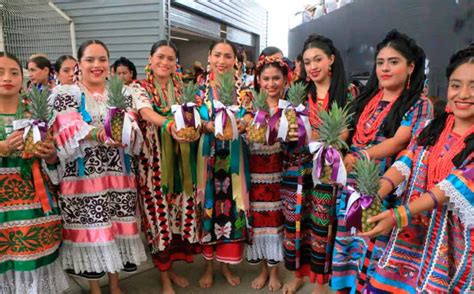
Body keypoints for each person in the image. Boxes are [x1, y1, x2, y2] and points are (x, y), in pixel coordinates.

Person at [362, 44, 473, 293]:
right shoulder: (430, 127)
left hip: (454, 247)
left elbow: (452, 187)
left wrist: (399, 215)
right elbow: (407, 160)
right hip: (409, 237)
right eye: (456, 85)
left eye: (473, 86)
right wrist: (378, 190)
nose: (463, 94)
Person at [331, 30, 434, 293]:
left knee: (373, 249)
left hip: (384, 188)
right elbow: (348, 131)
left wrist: (360, 155)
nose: (385, 68)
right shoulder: (366, 99)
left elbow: (400, 141)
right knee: (349, 245)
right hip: (353, 185)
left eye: (394, 61)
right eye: (380, 62)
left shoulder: (420, 104)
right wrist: (333, 150)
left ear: (411, 66)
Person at [49, 40, 146, 294]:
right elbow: (67, 128)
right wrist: (101, 134)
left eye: (102, 59)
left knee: (114, 227)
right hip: (84, 178)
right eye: (90, 59)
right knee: (94, 230)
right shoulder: (65, 94)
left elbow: (132, 125)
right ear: (79, 63)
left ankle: (115, 285)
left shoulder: (122, 92)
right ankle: (94, 287)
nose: (97, 65)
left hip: (117, 174)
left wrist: (128, 131)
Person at [281, 34, 350, 294]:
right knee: (297, 224)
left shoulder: (347, 92)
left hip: (327, 170)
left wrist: (323, 142)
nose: (313, 66)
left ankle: (319, 282)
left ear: (331, 59)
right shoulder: (298, 93)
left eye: (318, 59)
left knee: (322, 225)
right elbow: (288, 129)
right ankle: (298, 274)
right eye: (308, 61)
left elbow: (346, 131)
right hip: (297, 168)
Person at [135, 40, 201, 294]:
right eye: (160, 57)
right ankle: (164, 278)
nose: (164, 62)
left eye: (170, 59)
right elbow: (145, 112)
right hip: (153, 168)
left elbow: (196, 115)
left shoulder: (183, 90)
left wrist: (196, 128)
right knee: (158, 222)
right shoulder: (138, 88)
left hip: (182, 166)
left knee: (178, 218)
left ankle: (171, 269)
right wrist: (169, 125)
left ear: (176, 65)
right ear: (150, 60)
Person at [0, 52, 68, 293]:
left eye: (14, 72)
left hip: (34, 208)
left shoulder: (36, 112)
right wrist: (2, 148)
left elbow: (54, 163)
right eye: (0, 72)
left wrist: (49, 155)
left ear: (23, 77)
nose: (7, 78)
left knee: (33, 273)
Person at [197, 39, 251, 289]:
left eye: (227, 56)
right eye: (217, 55)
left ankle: (226, 266)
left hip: (234, 163)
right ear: (209, 57)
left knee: (232, 211)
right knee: (209, 211)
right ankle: (207, 267)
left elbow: (250, 115)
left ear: (235, 61)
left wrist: (243, 123)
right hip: (208, 161)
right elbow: (190, 120)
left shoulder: (244, 91)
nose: (221, 61)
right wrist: (206, 126)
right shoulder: (199, 91)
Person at [246, 56, 290, 292]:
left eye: (276, 78)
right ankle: (263, 270)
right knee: (258, 223)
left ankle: (275, 271)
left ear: (284, 81)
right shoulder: (250, 105)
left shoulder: (290, 109)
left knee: (275, 223)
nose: (271, 83)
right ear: (258, 80)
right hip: (253, 172)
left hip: (278, 174)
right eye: (266, 79)